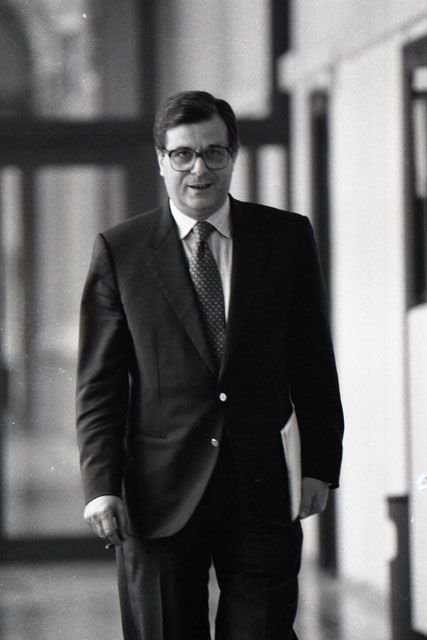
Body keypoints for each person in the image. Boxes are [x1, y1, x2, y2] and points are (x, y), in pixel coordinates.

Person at [76, 90, 344, 640]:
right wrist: (101, 485)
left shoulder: (285, 238)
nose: (199, 170)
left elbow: (313, 361)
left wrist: (319, 464)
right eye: (183, 154)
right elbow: (100, 386)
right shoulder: (121, 251)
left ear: (233, 156)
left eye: (214, 153)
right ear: (161, 160)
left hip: (261, 487)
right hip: (158, 494)